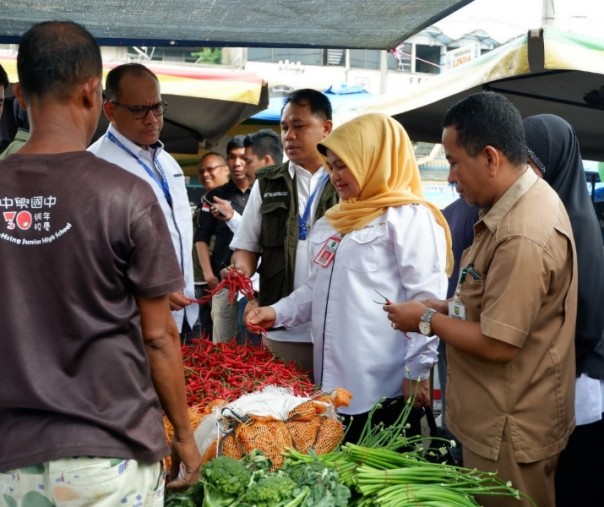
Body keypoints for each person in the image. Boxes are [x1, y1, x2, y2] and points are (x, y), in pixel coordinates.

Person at [0, 20, 201, 505]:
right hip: (108, 455)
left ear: (20, 94)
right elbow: (157, 335)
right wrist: (185, 435)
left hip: (9, 460)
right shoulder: (126, 194)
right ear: (94, 92)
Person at [387, 92, 577, 507]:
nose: (451, 177)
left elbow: (499, 342)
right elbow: (490, 306)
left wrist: (425, 320)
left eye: (455, 162)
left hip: (509, 428)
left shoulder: (522, 232)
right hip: (496, 418)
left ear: (490, 158)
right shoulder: (508, 209)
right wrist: (442, 308)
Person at [246, 113, 452, 443]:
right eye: (332, 166)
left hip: (383, 386)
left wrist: (417, 371)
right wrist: (277, 312)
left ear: (374, 160)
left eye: (344, 165)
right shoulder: (335, 220)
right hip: (330, 388)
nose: (335, 176)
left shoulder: (409, 217)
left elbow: (426, 300)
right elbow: (316, 287)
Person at [523, 113, 604, 507]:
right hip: (558, 379)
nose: (524, 172)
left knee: (575, 482)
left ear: (554, 161)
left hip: (581, 382)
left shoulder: (574, 226)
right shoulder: (551, 216)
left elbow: (586, 322)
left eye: (530, 162)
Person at [229, 89, 338, 378]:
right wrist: (241, 274)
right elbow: (247, 245)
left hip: (334, 327)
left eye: (299, 126)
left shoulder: (344, 179)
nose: (289, 135)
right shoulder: (267, 182)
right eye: (284, 127)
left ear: (326, 128)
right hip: (280, 325)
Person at [88, 63, 199, 343]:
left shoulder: (166, 161)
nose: (152, 119)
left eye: (157, 107)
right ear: (110, 110)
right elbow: (93, 254)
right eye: (139, 110)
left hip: (185, 315)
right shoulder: (96, 165)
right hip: (132, 323)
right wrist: (150, 289)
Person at [195, 136, 251, 342]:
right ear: (227, 161)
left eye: (243, 157)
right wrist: (209, 276)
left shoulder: (262, 192)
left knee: (253, 346)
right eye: (232, 157)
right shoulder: (215, 196)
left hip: (254, 283)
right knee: (222, 345)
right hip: (223, 281)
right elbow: (201, 237)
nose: (237, 163)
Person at [437, 195, 478, 428]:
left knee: (449, 398)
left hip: (448, 318)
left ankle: (451, 451)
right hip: (468, 326)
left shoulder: (448, 212)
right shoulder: (480, 213)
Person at [192, 151, 230, 339]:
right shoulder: (205, 203)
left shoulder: (235, 200)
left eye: (210, 169)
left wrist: (210, 276)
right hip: (202, 279)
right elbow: (200, 238)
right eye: (201, 171)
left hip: (221, 280)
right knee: (205, 336)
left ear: (226, 169)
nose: (205, 174)